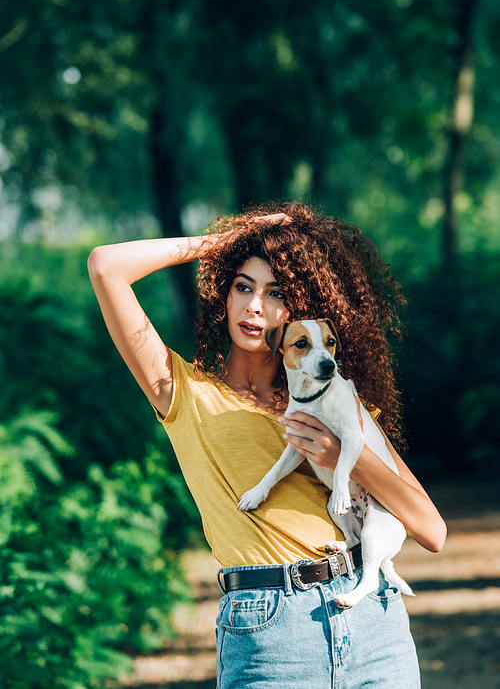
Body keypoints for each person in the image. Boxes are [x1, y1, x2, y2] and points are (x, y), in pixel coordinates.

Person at [88, 202, 446, 689]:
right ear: (224, 294)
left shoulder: (338, 403)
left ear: (297, 312)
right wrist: (227, 243)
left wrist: (346, 458)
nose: (255, 305)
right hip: (270, 634)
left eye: (275, 293)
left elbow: (431, 529)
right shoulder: (182, 390)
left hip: (374, 621)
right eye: (243, 287)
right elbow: (106, 265)